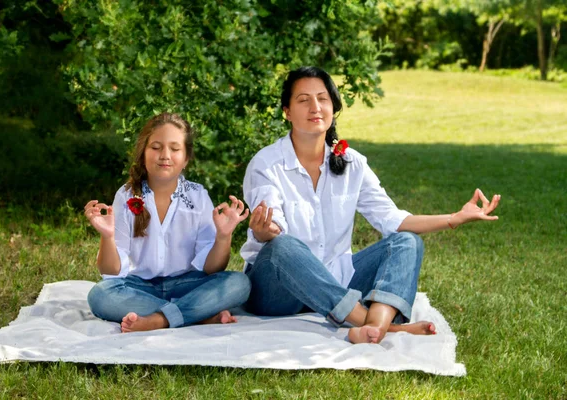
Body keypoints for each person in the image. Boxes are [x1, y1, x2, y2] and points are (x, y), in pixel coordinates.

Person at [241, 66, 501, 344]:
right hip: (277, 292)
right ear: (287, 111)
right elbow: (272, 227)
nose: (315, 107)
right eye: (303, 100)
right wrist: (264, 231)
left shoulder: (352, 163)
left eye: (323, 98)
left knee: (406, 242)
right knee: (284, 246)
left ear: (333, 106)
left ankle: (373, 329)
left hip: (336, 280)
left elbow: (393, 220)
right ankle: (382, 326)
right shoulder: (267, 163)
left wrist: (455, 217)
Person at [84, 112, 251, 333]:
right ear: (143, 153)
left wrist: (223, 236)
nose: (165, 155)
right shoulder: (126, 196)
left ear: (186, 158)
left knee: (239, 283)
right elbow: (111, 271)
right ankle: (197, 314)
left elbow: (212, 269)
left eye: (174, 149)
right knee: (100, 295)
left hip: (188, 285)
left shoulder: (198, 196)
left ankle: (158, 320)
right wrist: (107, 236)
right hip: (138, 288)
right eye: (155, 147)